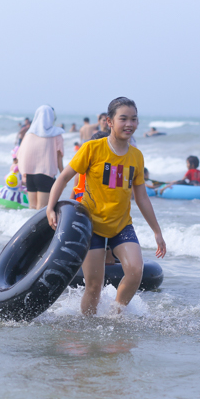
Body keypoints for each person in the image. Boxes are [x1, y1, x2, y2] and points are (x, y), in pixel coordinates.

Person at [47, 97, 166, 316]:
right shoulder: (93, 148)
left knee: (135, 271)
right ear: (109, 121)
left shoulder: (136, 157)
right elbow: (63, 177)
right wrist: (50, 207)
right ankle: (88, 326)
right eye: (123, 118)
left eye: (134, 119)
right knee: (93, 287)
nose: (129, 124)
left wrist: (157, 232)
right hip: (91, 225)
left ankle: (115, 315)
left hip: (121, 225)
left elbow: (142, 198)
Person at [17, 105, 64, 210]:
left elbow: (20, 155)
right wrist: (63, 177)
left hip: (30, 175)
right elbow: (59, 159)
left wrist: (23, 174)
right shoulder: (56, 134)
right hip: (45, 175)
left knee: (32, 208)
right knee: (42, 209)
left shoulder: (29, 134)